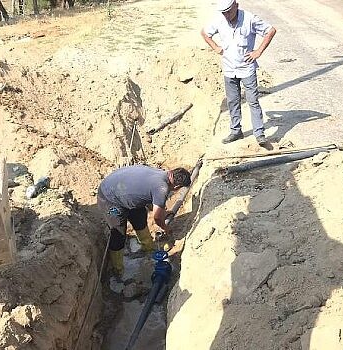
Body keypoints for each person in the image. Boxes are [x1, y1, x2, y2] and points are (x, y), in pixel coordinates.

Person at [201, 0, 276, 146]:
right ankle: (236, 131)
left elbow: (271, 30)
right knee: (233, 101)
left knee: (253, 101)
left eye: (229, 11)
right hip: (229, 69)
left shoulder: (249, 19)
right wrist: (216, 47)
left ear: (236, 5)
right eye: (224, 12)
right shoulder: (219, 20)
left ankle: (259, 134)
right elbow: (204, 33)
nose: (227, 15)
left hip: (247, 68)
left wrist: (258, 51)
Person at [97, 165, 191, 275]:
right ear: (177, 186)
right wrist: (166, 228)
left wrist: (163, 213)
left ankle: (148, 248)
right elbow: (157, 218)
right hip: (109, 199)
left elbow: (149, 197)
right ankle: (118, 268)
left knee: (140, 218)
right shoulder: (162, 188)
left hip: (123, 191)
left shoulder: (161, 174)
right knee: (118, 234)